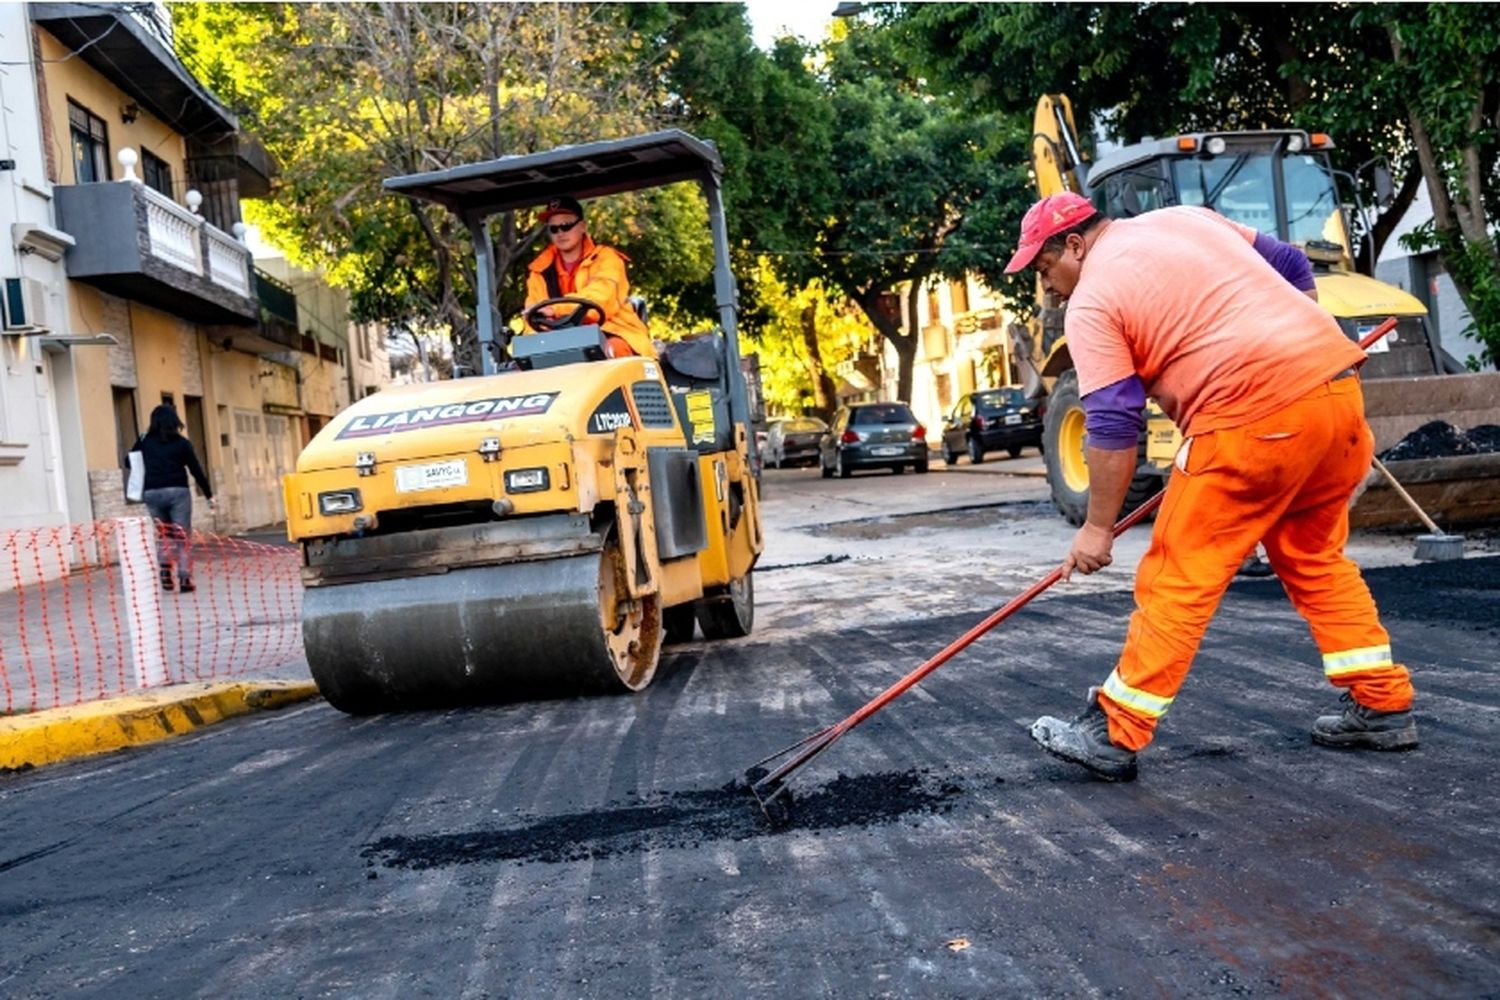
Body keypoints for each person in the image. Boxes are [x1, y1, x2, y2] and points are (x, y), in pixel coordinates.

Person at [1008, 192, 1417, 781]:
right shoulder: (1185, 219)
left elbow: (1115, 421)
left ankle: (1116, 730)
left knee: (1180, 574)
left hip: (1249, 419)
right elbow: (1294, 264)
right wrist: (1300, 341)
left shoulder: (1093, 300)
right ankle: (1381, 703)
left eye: (1046, 269)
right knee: (1313, 558)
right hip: (1335, 397)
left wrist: (1097, 528)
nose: (1047, 286)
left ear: (1074, 243)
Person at [524, 195, 654, 359]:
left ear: (582, 226)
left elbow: (600, 300)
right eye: (554, 228)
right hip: (560, 341)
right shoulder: (539, 270)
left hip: (611, 331)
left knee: (613, 352)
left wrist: (555, 310)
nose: (560, 233)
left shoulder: (607, 259)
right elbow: (532, 316)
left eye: (566, 225)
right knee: (524, 366)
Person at [137, 404, 215, 593]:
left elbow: (127, 461)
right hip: (177, 492)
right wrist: (208, 494)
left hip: (152, 492)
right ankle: (184, 578)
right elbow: (196, 469)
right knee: (181, 535)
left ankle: (164, 571)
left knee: (164, 534)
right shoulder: (182, 443)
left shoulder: (144, 441)